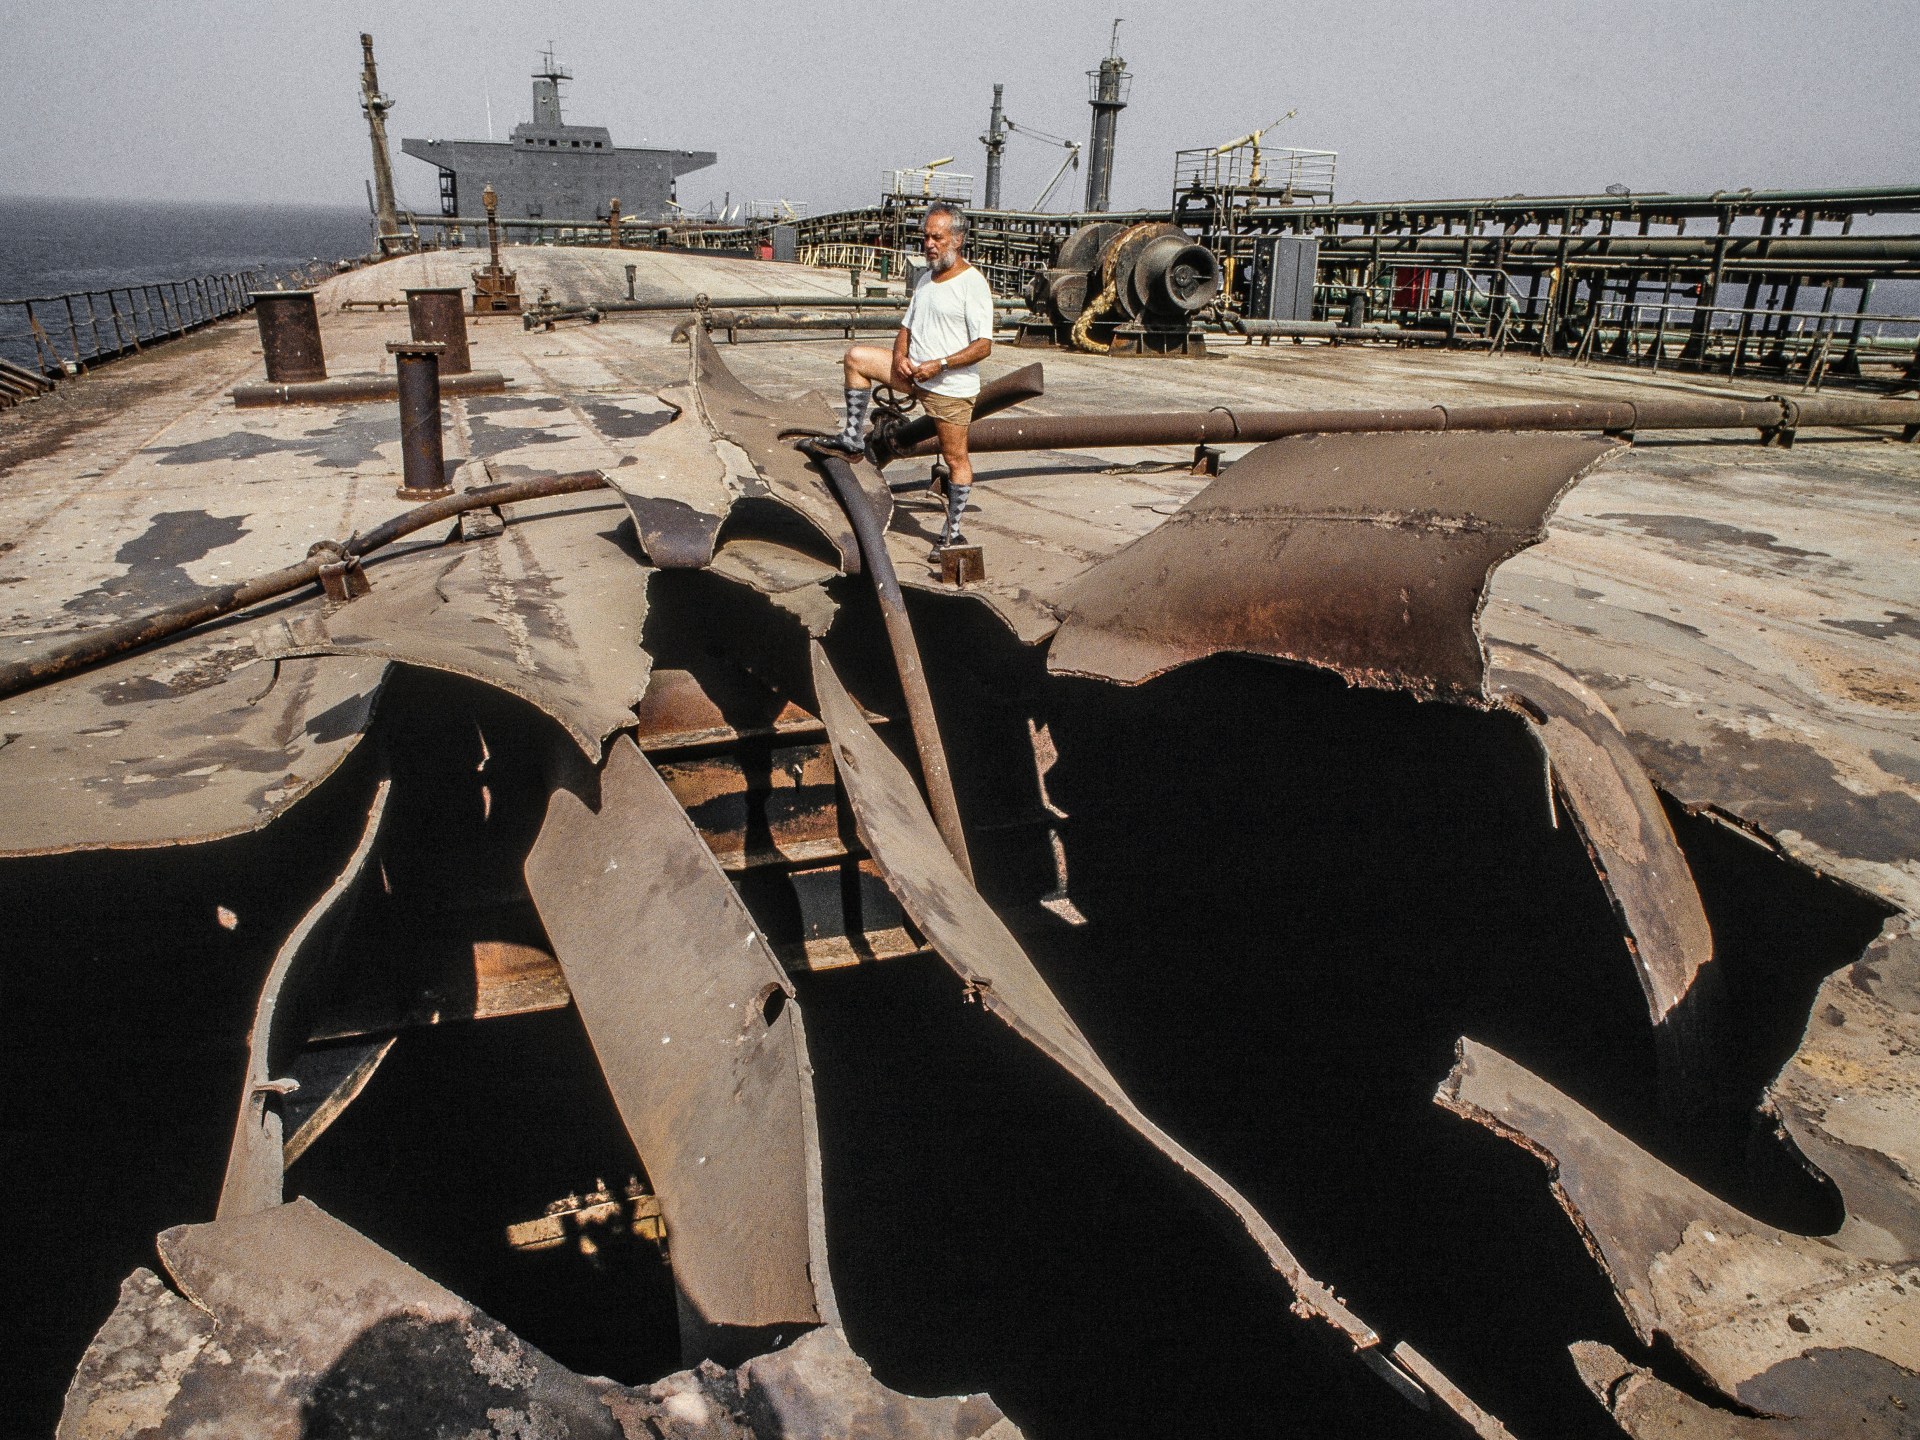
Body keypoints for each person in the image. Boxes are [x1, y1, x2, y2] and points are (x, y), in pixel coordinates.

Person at [825, 201, 994, 552]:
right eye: (926, 237)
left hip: (949, 387)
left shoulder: (973, 284)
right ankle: (852, 438)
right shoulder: (925, 279)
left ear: (958, 239)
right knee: (856, 359)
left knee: (956, 459)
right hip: (913, 374)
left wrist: (940, 365)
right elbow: (906, 328)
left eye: (937, 238)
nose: (929, 245)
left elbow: (983, 346)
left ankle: (952, 532)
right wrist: (900, 356)